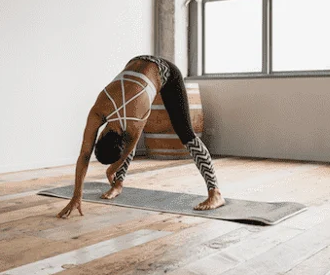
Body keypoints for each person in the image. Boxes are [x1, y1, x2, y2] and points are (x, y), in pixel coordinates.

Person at [57, 55, 225, 219]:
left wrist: (111, 170)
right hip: (138, 63)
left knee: (186, 134)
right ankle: (118, 185)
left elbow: (125, 148)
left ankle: (215, 193)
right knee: (129, 140)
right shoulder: (99, 109)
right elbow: (85, 154)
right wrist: (76, 196)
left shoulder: (135, 119)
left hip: (167, 72)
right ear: (100, 135)